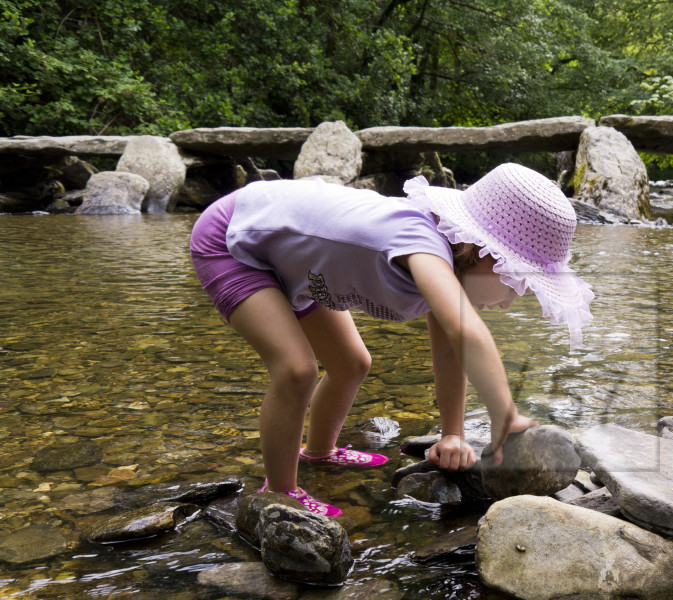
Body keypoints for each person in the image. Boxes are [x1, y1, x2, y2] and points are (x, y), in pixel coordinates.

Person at [189, 163, 593, 517]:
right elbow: (466, 332)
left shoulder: (448, 263)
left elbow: (451, 351)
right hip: (234, 240)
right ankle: (278, 494)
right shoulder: (422, 246)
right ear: (481, 251)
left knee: (351, 363)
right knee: (297, 369)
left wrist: (452, 433)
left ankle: (318, 453)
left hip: (294, 261)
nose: (507, 304)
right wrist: (504, 413)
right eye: (513, 284)